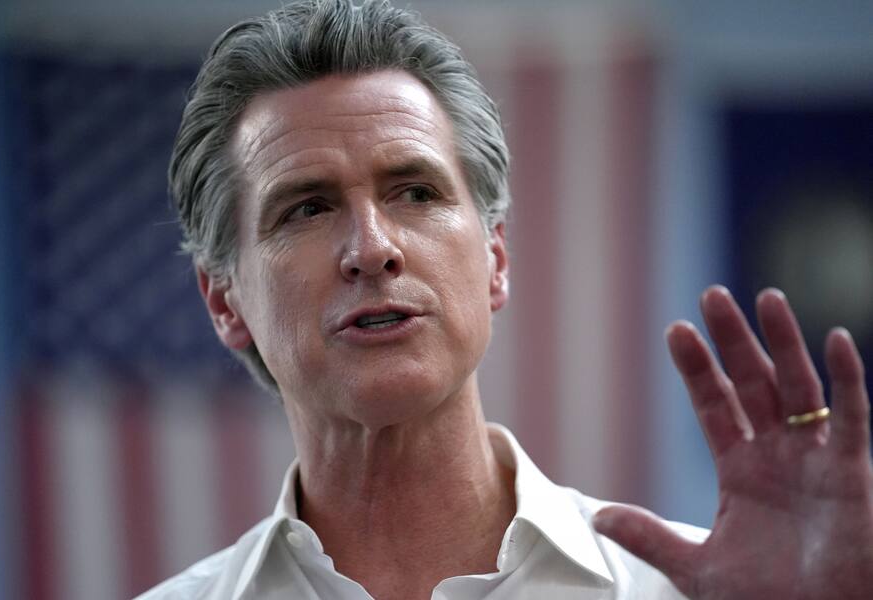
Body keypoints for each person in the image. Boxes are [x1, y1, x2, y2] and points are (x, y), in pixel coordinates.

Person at [137, 0, 873, 598]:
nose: (371, 248)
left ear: (494, 258)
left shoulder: (695, 590)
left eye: (416, 192)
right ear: (224, 301)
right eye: (306, 208)